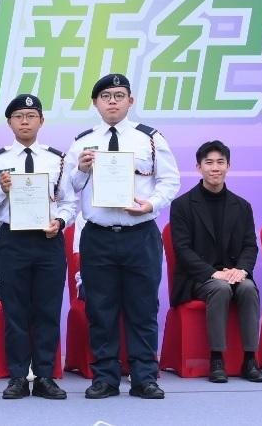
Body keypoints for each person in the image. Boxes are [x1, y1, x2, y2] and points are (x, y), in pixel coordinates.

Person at [63, 74, 178, 400]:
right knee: (101, 309)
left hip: (139, 234)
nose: (112, 101)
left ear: (130, 100)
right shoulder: (82, 142)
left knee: (143, 308)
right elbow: (66, 190)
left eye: (119, 95)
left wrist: (151, 204)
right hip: (97, 236)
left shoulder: (150, 138)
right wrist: (81, 169)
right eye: (105, 96)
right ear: (95, 103)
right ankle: (105, 377)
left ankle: (144, 377)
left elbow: (170, 181)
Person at [0, 94, 73, 400]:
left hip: (48, 239)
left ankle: (44, 376)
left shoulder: (56, 159)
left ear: (41, 121)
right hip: (12, 239)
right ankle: (17, 376)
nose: (25, 121)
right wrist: (2, 191)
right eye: (18, 116)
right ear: (9, 123)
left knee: (47, 309)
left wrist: (61, 222)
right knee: (15, 310)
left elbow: (70, 201)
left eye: (31, 115)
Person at [169, 140, 262, 383]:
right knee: (221, 289)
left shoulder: (242, 206)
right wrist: (214, 273)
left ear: (228, 166)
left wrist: (242, 270)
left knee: (248, 289)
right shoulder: (182, 205)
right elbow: (182, 249)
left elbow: (249, 245)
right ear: (198, 167)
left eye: (220, 162)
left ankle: (251, 359)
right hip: (198, 278)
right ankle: (216, 359)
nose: (215, 168)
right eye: (209, 163)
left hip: (234, 273)